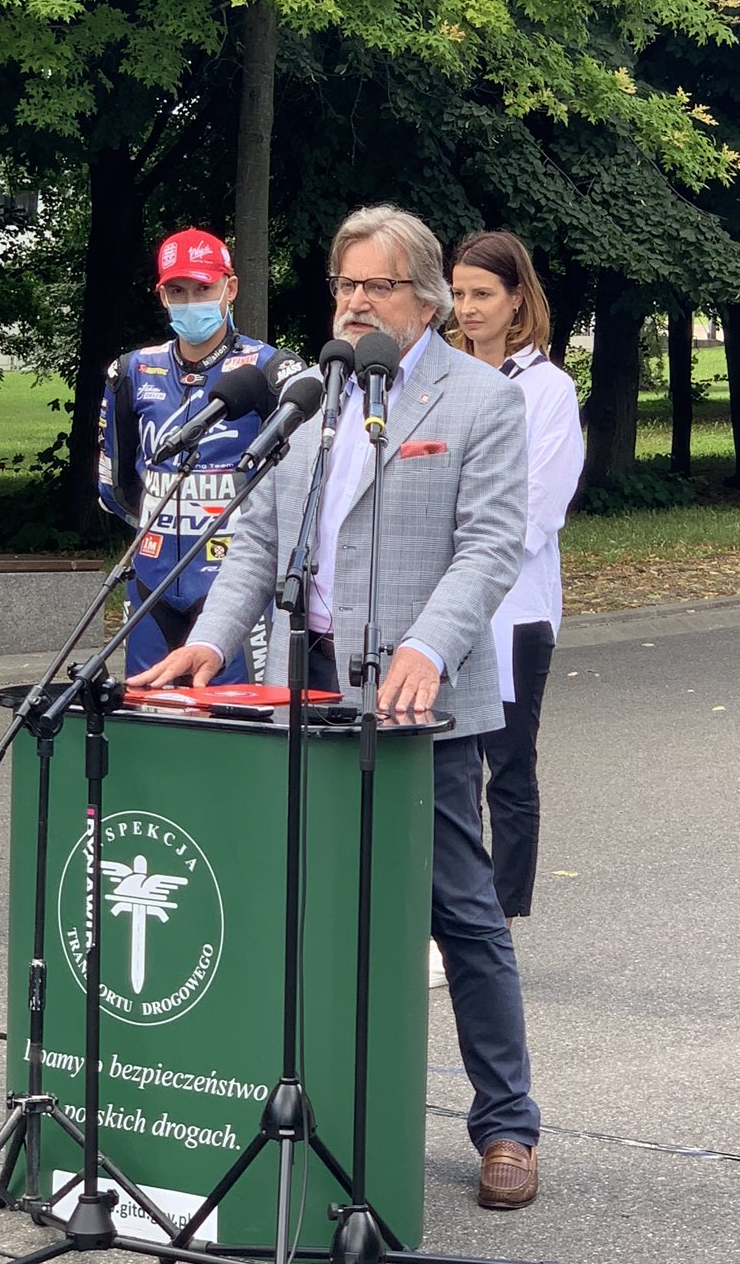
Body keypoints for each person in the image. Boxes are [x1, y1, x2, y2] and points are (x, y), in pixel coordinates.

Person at [130, 205, 544, 1209]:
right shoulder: (307, 399)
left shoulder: (480, 399)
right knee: (307, 902)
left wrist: (424, 645)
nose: (356, 301)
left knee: (461, 908)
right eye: (345, 284)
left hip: (423, 700)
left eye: (377, 286)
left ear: (429, 299)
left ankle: (508, 1124)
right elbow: (258, 546)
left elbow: (490, 549)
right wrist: (209, 642)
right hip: (303, 683)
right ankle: (319, 1096)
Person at [449, 231, 584, 927]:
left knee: (507, 762)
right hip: (441, 601)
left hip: (515, 607)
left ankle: (500, 915)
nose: (468, 308)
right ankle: (452, 904)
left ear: (517, 300)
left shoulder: (548, 390)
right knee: (449, 768)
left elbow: (538, 506)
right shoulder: (440, 378)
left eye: (482, 294)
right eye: (459, 293)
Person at [98, 229, 281, 682]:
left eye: (203, 288)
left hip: (236, 585)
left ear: (230, 288)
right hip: (150, 580)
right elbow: (116, 484)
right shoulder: (132, 371)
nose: (190, 300)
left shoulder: (270, 370)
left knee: (237, 727)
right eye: (177, 290)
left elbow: (290, 486)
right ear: (161, 295)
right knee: (149, 719)